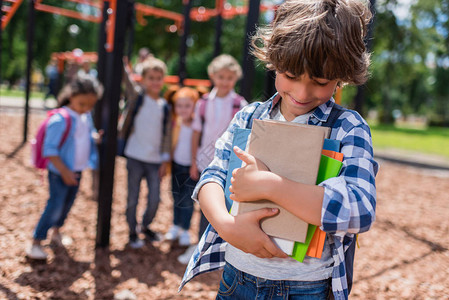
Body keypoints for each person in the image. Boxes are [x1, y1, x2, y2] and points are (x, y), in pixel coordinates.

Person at [179, 1, 379, 299]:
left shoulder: (348, 127)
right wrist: (226, 225)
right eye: (291, 75)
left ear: (342, 74)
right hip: (237, 279)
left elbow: (360, 209)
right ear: (274, 60)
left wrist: (273, 186)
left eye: (321, 82)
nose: (302, 93)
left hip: (306, 287)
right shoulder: (249, 116)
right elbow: (214, 175)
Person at [177, 54, 247, 264]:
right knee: (204, 204)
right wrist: (192, 161)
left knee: (228, 206)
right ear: (212, 76)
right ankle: (200, 246)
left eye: (229, 77)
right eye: (220, 76)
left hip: (230, 165)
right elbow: (196, 133)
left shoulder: (239, 104)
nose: (224, 81)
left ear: (235, 78)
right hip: (204, 162)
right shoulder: (204, 103)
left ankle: (224, 248)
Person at [26, 75, 103, 260]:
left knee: (67, 204)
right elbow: (49, 150)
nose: (87, 108)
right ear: (71, 96)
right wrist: (64, 171)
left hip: (76, 170)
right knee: (55, 205)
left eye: (91, 105)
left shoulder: (85, 116)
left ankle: (56, 232)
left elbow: (85, 134)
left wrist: (94, 138)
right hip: (60, 172)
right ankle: (36, 241)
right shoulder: (61, 119)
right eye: (82, 103)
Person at [119, 57, 172, 249]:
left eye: (159, 78)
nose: (155, 82)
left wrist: (165, 160)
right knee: (132, 198)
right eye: (151, 77)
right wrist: (123, 63)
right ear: (142, 79)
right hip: (135, 157)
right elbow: (125, 80)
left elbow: (166, 135)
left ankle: (146, 225)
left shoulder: (164, 106)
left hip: (154, 161)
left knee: (155, 198)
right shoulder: (137, 97)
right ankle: (132, 231)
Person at [163, 86, 201, 247]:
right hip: (177, 166)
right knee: (176, 196)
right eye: (179, 106)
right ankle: (176, 225)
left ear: (194, 106)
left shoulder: (196, 126)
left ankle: (185, 229)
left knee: (187, 200)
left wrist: (195, 164)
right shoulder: (175, 123)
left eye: (187, 106)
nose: (183, 109)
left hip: (190, 168)